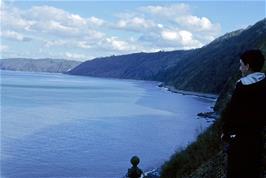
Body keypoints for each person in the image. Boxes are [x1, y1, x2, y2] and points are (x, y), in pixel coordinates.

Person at [221, 49, 266, 178]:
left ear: (247, 66)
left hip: (240, 139)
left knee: (236, 171)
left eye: (241, 65)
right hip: (257, 138)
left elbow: (232, 112)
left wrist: (225, 132)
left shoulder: (242, 85)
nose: (240, 68)